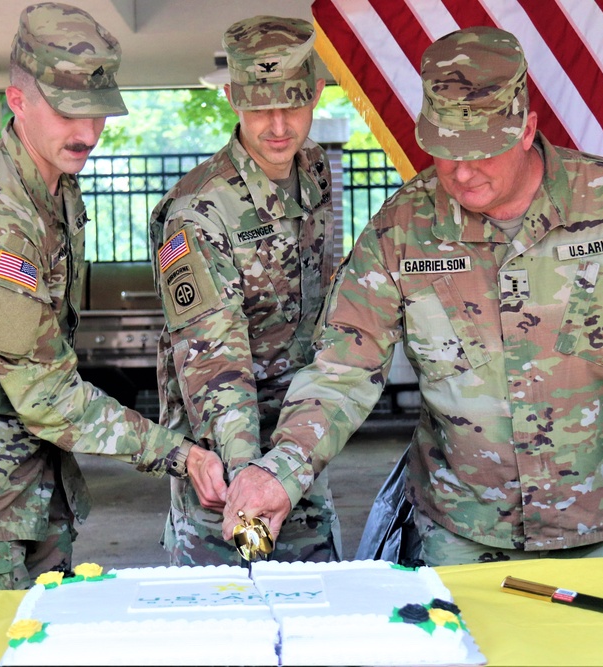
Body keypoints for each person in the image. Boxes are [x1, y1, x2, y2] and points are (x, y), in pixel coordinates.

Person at [222, 26, 603, 565]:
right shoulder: (403, 228)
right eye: (445, 151)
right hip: (464, 531)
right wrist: (280, 469)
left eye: (480, 151)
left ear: (525, 129)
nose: (462, 172)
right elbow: (342, 368)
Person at [0, 2, 226, 594]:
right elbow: (45, 394)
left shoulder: (55, 190)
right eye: (69, 111)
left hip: (31, 476)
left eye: (98, 112)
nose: (88, 132)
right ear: (17, 100)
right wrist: (180, 455)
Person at [148, 15, 341, 565]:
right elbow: (213, 360)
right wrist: (251, 480)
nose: (278, 125)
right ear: (232, 97)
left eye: (293, 103)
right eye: (260, 107)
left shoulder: (314, 172)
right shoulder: (198, 211)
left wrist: (294, 460)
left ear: (318, 95)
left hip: (298, 450)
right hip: (227, 466)